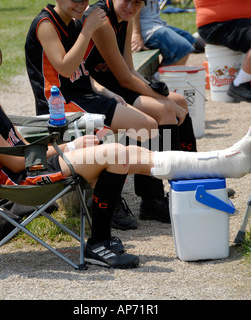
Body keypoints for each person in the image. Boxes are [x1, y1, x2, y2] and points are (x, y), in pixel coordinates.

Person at [0, 34, 251, 268]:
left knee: (117, 150)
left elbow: (16, 146)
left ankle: (221, 162)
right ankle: (99, 241)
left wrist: (66, 147)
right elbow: (11, 161)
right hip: (22, 180)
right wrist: (67, 146)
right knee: (116, 153)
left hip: (33, 166)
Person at [25, 0, 195, 226]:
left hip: (85, 95)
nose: (81, 4)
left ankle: (169, 189)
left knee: (156, 119)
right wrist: (87, 29)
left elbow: (84, 72)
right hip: (61, 104)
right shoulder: (48, 23)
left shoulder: (74, 22)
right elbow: (65, 67)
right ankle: (115, 201)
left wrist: (104, 91)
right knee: (148, 124)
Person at [81, 0, 199, 223]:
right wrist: (161, 100)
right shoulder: (102, 18)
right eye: (128, 0)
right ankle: (152, 198)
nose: (131, 7)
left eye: (138, 3)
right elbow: (125, 78)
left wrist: (157, 91)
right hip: (99, 90)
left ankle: (191, 180)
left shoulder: (124, 18)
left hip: (116, 84)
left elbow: (130, 70)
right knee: (164, 110)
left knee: (179, 101)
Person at [131, 0, 198, 67]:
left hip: (157, 24)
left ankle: (160, 75)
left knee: (189, 39)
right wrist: (136, 33)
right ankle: (162, 76)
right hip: (145, 28)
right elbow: (133, 5)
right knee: (182, 48)